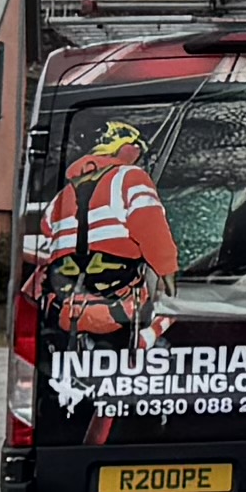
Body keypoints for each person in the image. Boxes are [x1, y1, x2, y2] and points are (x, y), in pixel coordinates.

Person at [31, 117, 179, 347]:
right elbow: (151, 226)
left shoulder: (64, 193)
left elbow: (47, 229)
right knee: (166, 311)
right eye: (139, 152)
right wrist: (167, 270)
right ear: (127, 149)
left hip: (68, 303)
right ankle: (144, 341)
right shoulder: (130, 177)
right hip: (117, 300)